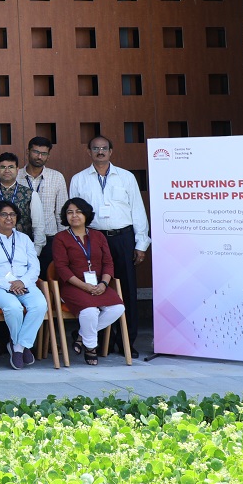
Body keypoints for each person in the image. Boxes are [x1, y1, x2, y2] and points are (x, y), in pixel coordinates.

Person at [68, 136, 150, 352]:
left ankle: (126, 342)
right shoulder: (79, 179)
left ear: (111, 151)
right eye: (96, 148)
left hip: (123, 238)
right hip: (93, 239)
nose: (100, 152)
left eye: (104, 148)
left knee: (127, 291)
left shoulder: (126, 177)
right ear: (89, 152)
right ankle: (97, 343)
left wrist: (141, 243)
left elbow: (138, 211)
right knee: (96, 290)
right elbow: (74, 214)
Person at [0, 201, 48, 370]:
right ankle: (22, 346)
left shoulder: (24, 239)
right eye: (4, 214)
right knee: (13, 307)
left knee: (40, 305)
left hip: (24, 284)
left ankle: (18, 346)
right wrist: (9, 285)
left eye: (12, 215)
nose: (9, 218)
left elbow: (34, 266)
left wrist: (22, 282)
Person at [52, 197, 126, 366]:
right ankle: (91, 348)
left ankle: (81, 335)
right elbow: (62, 268)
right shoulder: (60, 238)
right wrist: (84, 286)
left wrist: (104, 284)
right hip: (73, 286)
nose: (74, 216)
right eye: (70, 212)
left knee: (118, 308)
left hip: (99, 284)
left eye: (78, 212)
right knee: (90, 312)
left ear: (86, 215)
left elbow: (108, 263)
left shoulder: (98, 236)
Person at [22, 136, 67, 275]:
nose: (39, 156)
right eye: (35, 152)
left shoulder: (57, 177)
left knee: (48, 278)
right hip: (22, 238)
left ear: (48, 156)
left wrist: (62, 242)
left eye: (44, 153)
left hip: (49, 238)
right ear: (28, 151)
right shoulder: (16, 176)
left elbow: (61, 213)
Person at [0, 152, 34, 240]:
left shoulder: (30, 194)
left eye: (11, 167)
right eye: (3, 167)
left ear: (17, 170)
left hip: (22, 246)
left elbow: (38, 226)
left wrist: (37, 250)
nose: (7, 170)